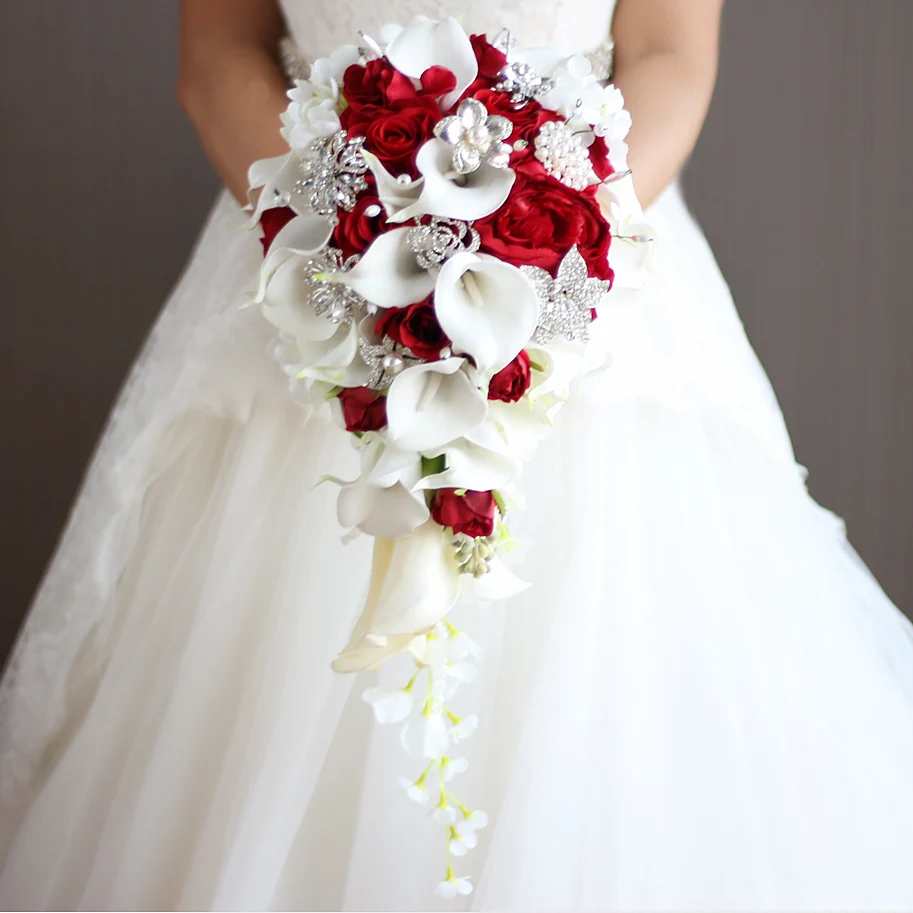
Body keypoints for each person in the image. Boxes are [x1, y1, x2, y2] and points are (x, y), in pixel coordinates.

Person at [2, 0, 913, 909]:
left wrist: (552, 238)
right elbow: (217, 58)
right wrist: (338, 227)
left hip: (588, 276)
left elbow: (671, 53)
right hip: (316, 262)